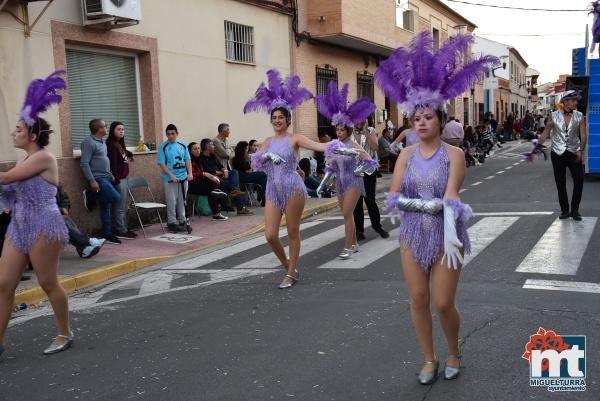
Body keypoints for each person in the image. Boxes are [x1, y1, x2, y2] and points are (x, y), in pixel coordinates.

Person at [376, 31, 497, 384]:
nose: (422, 122)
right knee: (417, 297)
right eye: (416, 118)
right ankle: (429, 358)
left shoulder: (455, 154)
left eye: (428, 117)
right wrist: (418, 205)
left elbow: (452, 195)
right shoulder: (406, 156)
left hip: (446, 235)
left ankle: (454, 350)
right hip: (413, 234)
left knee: (443, 302)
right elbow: (395, 197)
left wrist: (437, 205)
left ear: (440, 120)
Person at [0, 71, 73, 357]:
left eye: (18, 130)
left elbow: (7, 179)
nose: (13, 133)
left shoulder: (44, 156)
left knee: (47, 282)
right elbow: (11, 189)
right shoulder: (26, 159)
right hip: (18, 226)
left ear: (33, 135)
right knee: (4, 283)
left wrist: (5, 184)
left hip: (44, 224)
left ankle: (65, 332)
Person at [244, 69, 328, 289]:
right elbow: (255, 162)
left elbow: (319, 146)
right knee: (270, 234)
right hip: (272, 189)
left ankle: (291, 273)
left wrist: (339, 145)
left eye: (281, 117)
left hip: (292, 188)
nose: (277, 120)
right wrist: (264, 155)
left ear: (288, 119)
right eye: (274, 118)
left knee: (292, 231)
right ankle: (288, 264)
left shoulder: (295, 138)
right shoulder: (267, 141)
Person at [317, 81, 376, 258]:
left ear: (348, 130)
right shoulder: (333, 145)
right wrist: (323, 185)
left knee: (346, 213)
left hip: (354, 181)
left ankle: (348, 246)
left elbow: (370, 162)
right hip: (340, 183)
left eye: (342, 129)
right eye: (337, 129)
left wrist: (359, 170)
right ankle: (355, 243)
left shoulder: (354, 144)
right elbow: (331, 167)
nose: (339, 132)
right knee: (347, 215)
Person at [539, 90, 587, 221]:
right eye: (573, 100)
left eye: (576, 100)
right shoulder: (553, 116)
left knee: (579, 180)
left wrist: (581, 151)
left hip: (574, 152)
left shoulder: (580, 116)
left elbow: (583, 135)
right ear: (565, 101)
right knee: (560, 182)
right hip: (558, 153)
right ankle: (565, 210)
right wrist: (537, 145)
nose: (576, 102)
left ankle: (575, 210)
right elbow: (546, 132)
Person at [81, 118, 122, 244]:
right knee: (115, 197)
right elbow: (84, 163)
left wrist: (110, 174)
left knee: (106, 206)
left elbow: (104, 159)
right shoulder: (88, 142)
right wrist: (92, 181)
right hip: (98, 179)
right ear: (99, 129)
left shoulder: (102, 142)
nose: (106, 127)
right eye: (105, 126)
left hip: (106, 178)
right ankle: (90, 195)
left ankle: (107, 234)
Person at [352, 120, 389, 240]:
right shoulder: (348, 131)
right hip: (354, 171)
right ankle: (359, 231)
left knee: (370, 200)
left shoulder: (371, 130)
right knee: (357, 202)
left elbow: (374, 146)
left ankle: (377, 226)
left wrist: (366, 130)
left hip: (369, 170)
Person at [199, 138, 252, 215]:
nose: (214, 146)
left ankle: (234, 190)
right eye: (212, 145)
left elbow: (220, 166)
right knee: (235, 187)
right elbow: (210, 172)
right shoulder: (201, 158)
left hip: (221, 176)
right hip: (213, 179)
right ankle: (240, 208)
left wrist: (225, 170)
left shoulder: (212, 156)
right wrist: (222, 172)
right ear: (207, 147)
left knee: (234, 172)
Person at [157, 124, 193, 233]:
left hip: (183, 177)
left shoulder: (182, 145)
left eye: (173, 134)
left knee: (182, 200)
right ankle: (171, 222)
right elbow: (162, 163)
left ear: (177, 133)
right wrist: (171, 175)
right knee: (171, 201)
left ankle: (183, 220)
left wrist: (190, 173)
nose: (170, 136)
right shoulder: (163, 146)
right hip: (170, 178)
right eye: (168, 134)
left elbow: (187, 160)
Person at [106, 121, 137, 240]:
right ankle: (121, 230)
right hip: (119, 180)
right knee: (119, 206)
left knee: (123, 205)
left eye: (123, 129)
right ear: (113, 131)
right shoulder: (111, 144)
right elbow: (112, 164)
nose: (121, 131)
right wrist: (116, 180)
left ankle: (124, 227)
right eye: (119, 129)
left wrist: (130, 154)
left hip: (123, 178)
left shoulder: (118, 143)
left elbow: (123, 154)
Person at [56, 185, 105, 258]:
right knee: (61, 221)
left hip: (55, 214)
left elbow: (64, 198)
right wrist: (60, 210)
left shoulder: (54, 182)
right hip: (39, 219)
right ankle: (87, 241)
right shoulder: (36, 183)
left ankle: (84, 249)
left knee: (65, 220)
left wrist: (64, 208)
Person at [187, 142, 228, 221]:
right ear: (190, 151)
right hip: (192, 185)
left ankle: (217, 209)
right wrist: (205, 174)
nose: (198, 151)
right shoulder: (188, 160)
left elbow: (209, 171)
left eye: (198, 148)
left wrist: (212, 176)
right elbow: (192, 174)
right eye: (195, 149)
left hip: (202, 183)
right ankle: (218, 212)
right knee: (212, 190)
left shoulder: (200, 159)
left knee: (212, 188)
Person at [231, 141, 267, 206]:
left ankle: (264, 200)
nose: (247, 150)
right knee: (263, 174)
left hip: (247, 175)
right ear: (242, 149)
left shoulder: (244, 157)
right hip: (242, 177)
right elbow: (247, 169)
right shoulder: (237, 158)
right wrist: (249, 168)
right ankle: (263, 199)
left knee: (263, 180)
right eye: (246, 148)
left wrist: (249, 168)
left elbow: (249, 169)